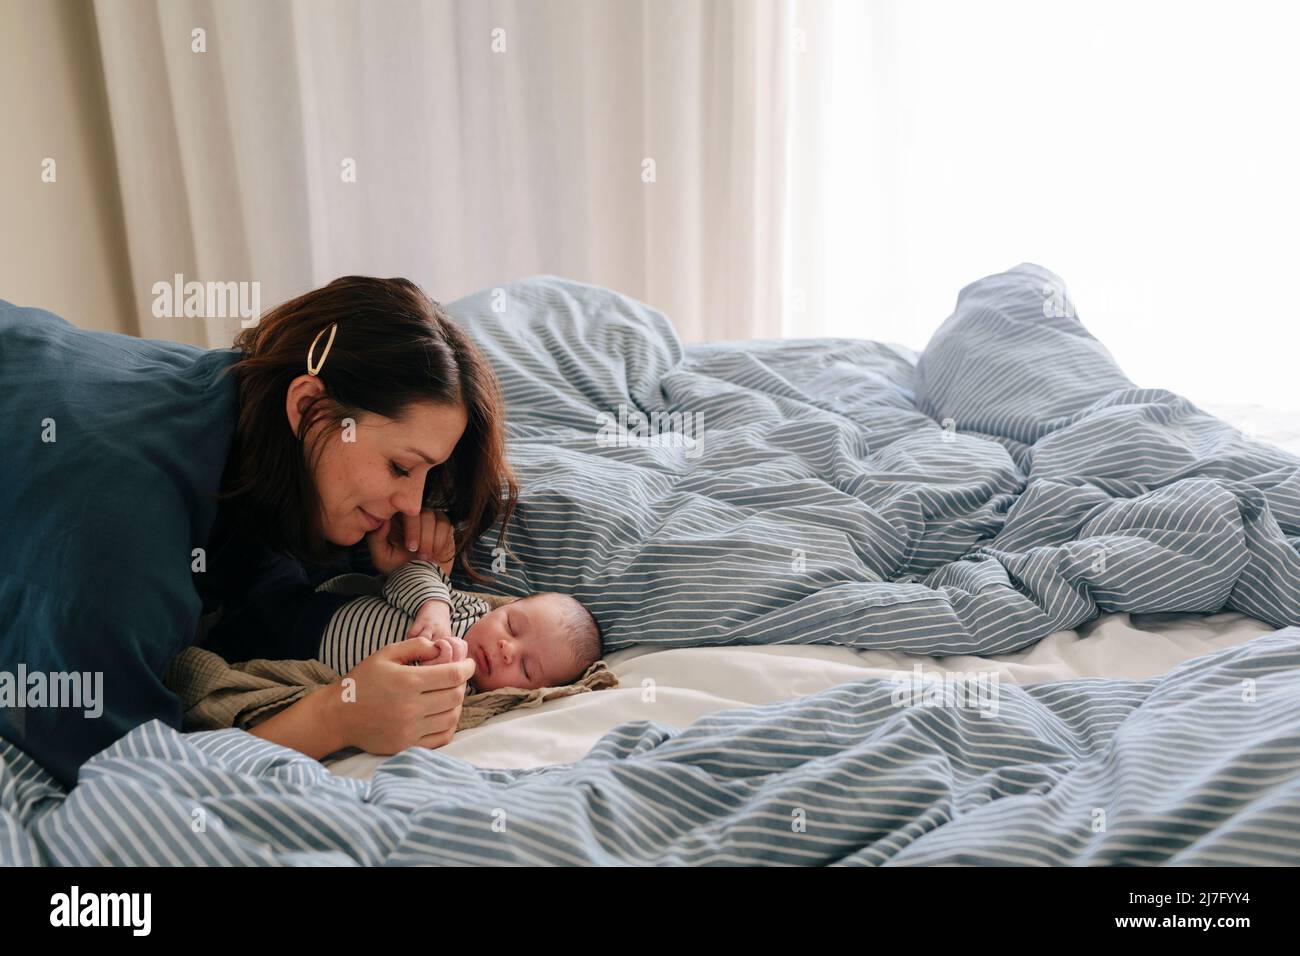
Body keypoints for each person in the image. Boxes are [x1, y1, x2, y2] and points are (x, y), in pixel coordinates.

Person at [192, 276, 519, 760]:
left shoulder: (278, 480)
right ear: (309, 407)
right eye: (401, 467)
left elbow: (271, 596)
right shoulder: (142, 502)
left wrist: (382, 565)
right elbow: (114, 766)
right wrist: (338, 717)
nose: (412, 504)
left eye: (426, 477)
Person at [313, 558, 603, 692]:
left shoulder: (465, 695)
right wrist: (434, 605)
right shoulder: (466, 609)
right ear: (505, 607)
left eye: (526, 669)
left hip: (312, 675)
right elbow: (410, 571)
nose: (507, 649)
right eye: (512, 626)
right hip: (320, 613)